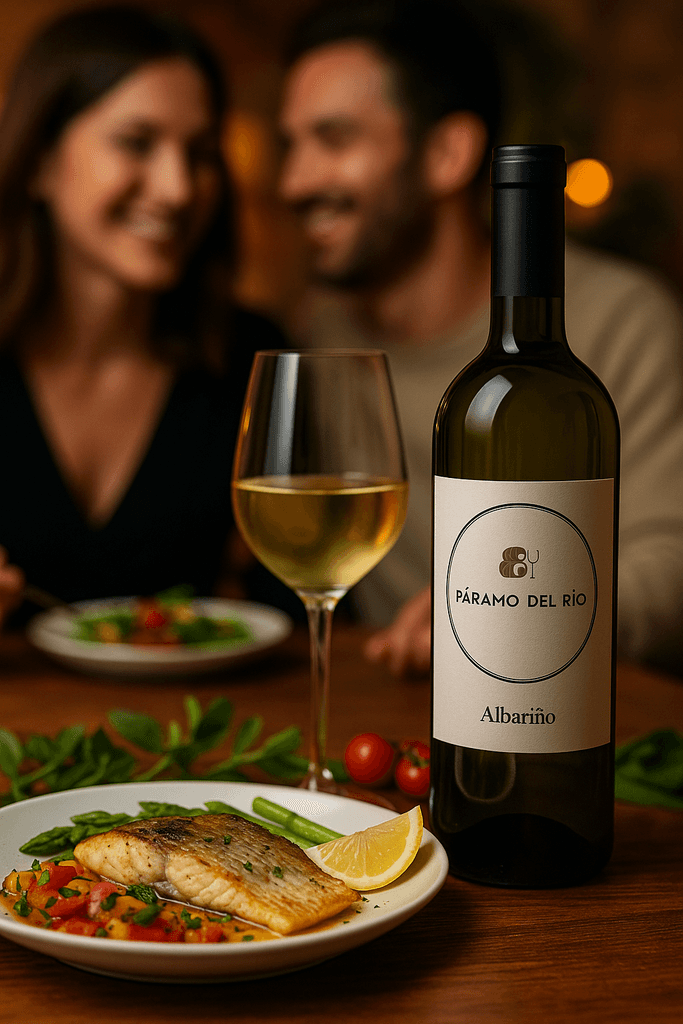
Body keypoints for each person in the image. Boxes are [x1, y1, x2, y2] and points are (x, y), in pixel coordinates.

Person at [278, 0, 683, 677]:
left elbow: (670, 563)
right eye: (291, 144)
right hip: (399, 710)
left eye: (334, 139)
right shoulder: (320, 332)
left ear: (445, 153)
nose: (293, 181)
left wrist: (508, 618)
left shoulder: (618, 319)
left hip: (560, 713)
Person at [0, 4, 289, 629]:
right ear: (41, 160)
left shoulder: (254, 359)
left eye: (202, 152)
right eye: (137, 143)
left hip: (194, 728)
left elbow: (294, 614)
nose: (179, 187)